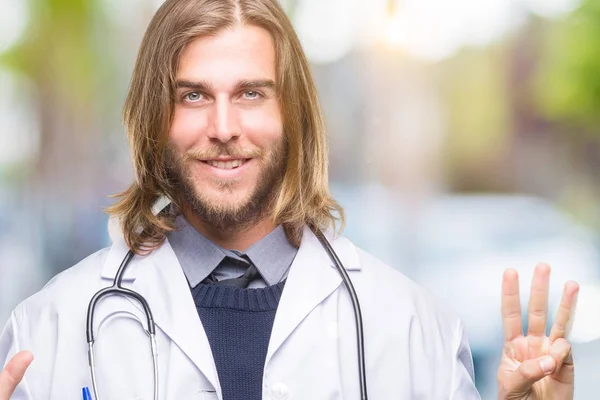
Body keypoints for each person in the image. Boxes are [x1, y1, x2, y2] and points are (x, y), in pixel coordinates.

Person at [0, 0, 578, 399]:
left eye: (251, 93)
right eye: (194, 95)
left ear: (292, 115)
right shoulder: (49, 329)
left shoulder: (411, 328)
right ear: (154, 120)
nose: (223, 126)